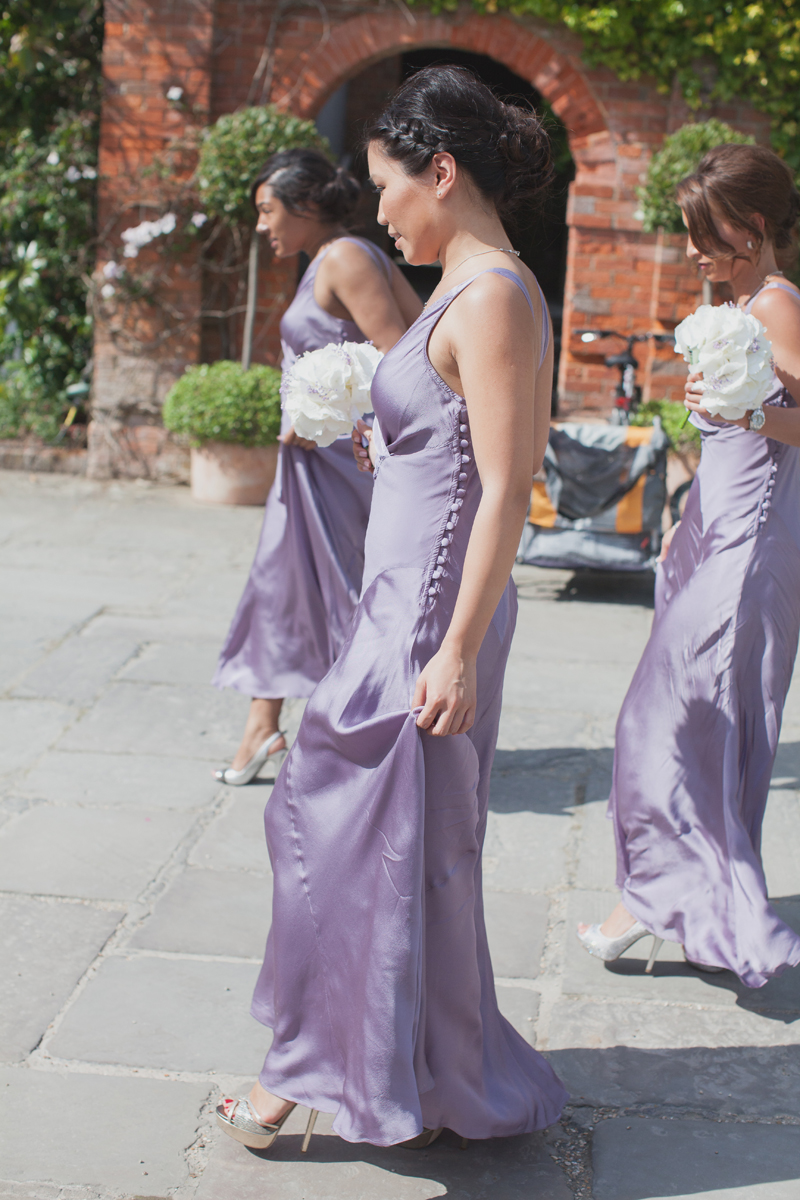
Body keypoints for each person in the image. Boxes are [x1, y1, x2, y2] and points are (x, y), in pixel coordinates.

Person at [216, 66, 568, 1152]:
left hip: (426, 616)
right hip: (401, 599)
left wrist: (454, 648)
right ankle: (415, 1066)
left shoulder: (493, 292)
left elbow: (508, 482)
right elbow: (456, 438)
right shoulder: (474, 287)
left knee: (339, 822)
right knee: (394, 843)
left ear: (441, 171)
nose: (377, 211)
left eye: (386, 186)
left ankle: (308, 1073)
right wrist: (392, 439)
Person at [578, 143, 800, 987]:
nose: (692, 250)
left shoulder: (777, 305)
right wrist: (684, 515)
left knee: (668, 719)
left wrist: (751, 414)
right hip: (711, 533)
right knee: (704, 722)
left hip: (751, 548)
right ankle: (690, 897)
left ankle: (661, 896)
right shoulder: (737, 305)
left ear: (752, 226)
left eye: (704, 234)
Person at [213, 149, 420, 784]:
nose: (261, 225)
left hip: (340, 465)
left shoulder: (346, 258)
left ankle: (374, 735)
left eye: (267, 210)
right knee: (283, 584)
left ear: (305, 205)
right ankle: (263, 725)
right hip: (308, 464)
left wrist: (327, 411)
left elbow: (398, 359)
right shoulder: (327, 259)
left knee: (341, 594)